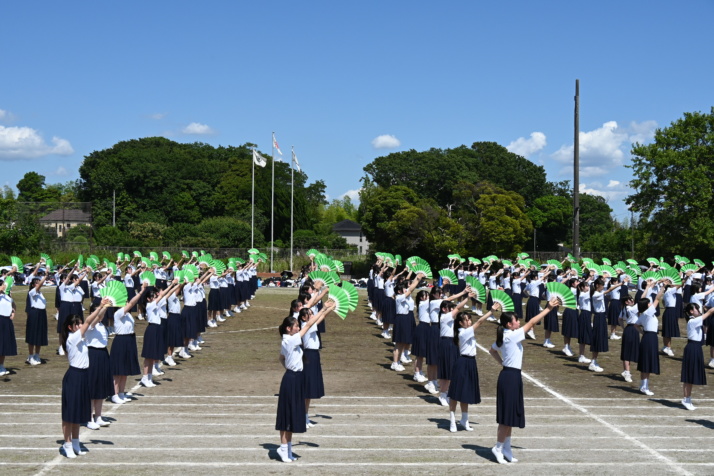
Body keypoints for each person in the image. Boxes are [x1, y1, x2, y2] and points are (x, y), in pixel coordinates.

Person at [488, 297, 560, 464]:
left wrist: (502, 364)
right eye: (516, 320)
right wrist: (548, 308)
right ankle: (497, 447)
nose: (519, 322)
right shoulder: (511, 335)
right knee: (506, 416)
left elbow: (492, 350)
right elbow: (533, 321)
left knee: (511, 414)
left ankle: (507, 447)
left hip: (511, 375)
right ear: (509, 324)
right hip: (510, 377)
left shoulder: (506, 335)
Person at [275, 300, 336, 463]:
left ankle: (287, 449)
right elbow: (308, 326)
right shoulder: (290, 339)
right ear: (289, 328)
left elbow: (281, 358)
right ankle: (283, 449)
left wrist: (289, 368)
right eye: (296, 325)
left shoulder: (288, 339)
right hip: (292, 379)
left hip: (295, 377)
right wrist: (323, 308)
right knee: (287, 415)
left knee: (293, 414)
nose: (298, 327)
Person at [60, 300, 109, 458]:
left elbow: (93, 321)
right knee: (69, 415)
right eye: (77, 324)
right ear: (70, 327)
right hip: (74, 376)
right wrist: (100, 306)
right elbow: (89, 321)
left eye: (80, 323)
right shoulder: (73, 338)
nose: (81, 325)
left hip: (83, 376)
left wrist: (104, 308)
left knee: (79, 413)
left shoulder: (81, 336)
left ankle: (75, 442)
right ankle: (67, 444)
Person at [447, 304, 498, 432]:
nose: (469, 321)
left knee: (466, 393)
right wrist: (491, 311)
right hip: (463, 362)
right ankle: (452, 420)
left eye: (470, 319)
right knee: (455, 394)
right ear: (460, 323)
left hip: (471, 362)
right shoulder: (463, 332)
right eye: (466, 319)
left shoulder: (466, 331)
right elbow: (480, 321)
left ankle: (464, 419)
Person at [299, 303, 333, 429]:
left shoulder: (310, 325)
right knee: (306, 389)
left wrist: (332, 307)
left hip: (314, 355)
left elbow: (322, 317)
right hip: (309, 356)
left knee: (309, 391)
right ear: (304, 318)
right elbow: (320, 317)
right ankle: (302, 416)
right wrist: (324, 309)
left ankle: (305, 416)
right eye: (310, 314)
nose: (313, 316)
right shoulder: (306, 325)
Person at [636, 284, 666, 396]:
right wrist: (663, 287)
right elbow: (657, 298)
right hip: (650, 337)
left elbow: (636, 325)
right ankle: (644, 387)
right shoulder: (648, 312)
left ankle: (644, 385)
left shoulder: (644, 313)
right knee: (647, 363)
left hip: (648, 337)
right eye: (649, 302)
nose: (651, 303)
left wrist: (642, 333)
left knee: (646, 363)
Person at [681, 303, 709, 410]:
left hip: (696, 348)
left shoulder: (695, 320)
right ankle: (686, 398)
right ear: (691, 311)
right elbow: (710, 312)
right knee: (689, 375)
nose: (698, 310)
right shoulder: (693, 321)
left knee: (691, 375)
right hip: (692, 348)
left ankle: (688, 398)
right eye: (696, 308)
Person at [26, 271, 50, 365]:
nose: (38, 284)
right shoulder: (32, 292)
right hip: (34, 313)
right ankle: (31, 356)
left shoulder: (40, 293)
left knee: (40, 335)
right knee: (32, 335)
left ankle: (37, 355)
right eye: (36, 282)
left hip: (41, 313)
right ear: (33, 285)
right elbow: (39, 285)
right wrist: (45, 276)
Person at [618, 294, 640, 383]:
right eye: (630, 299)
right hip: (632, 329)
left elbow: (619, 319)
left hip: (629, 329)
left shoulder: (624, 308)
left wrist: (623, 328)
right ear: (627, 302)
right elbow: (642, 298)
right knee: (627, 352)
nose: (632, 300)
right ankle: (627, 372)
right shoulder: (631, 308)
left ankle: (626, 371)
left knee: (629, 351)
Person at [0, 278, 17, 376]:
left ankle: (1, 365)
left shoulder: (6, 296)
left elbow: (13, 305)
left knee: (4, 345)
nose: (4, 285)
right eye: (2, 284)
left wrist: (13, 312)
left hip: (7, 321)